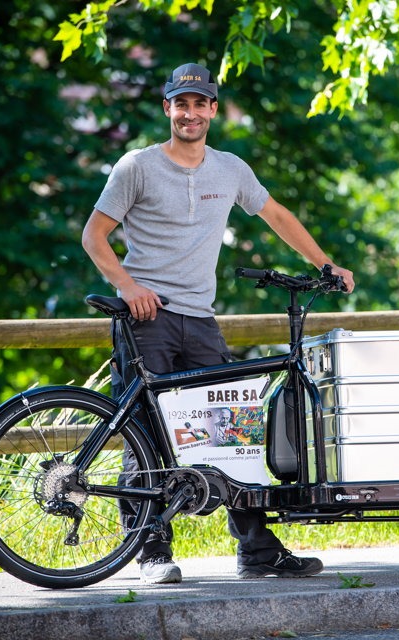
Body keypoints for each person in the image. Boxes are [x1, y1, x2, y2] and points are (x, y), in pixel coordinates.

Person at [81, 62, 356, 584]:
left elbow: (275, 215)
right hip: (147, 318)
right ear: (168, 109)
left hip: (201, 319)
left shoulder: (229, 168)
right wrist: (129, 286)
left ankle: (256, 549)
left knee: (231, 432)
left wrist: (325, 263)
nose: (190, 113)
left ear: (211, 109)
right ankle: (150, 551)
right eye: (180, 104)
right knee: (146, 431)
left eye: (199, 104)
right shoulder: (135, 166)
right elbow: (94, 237)